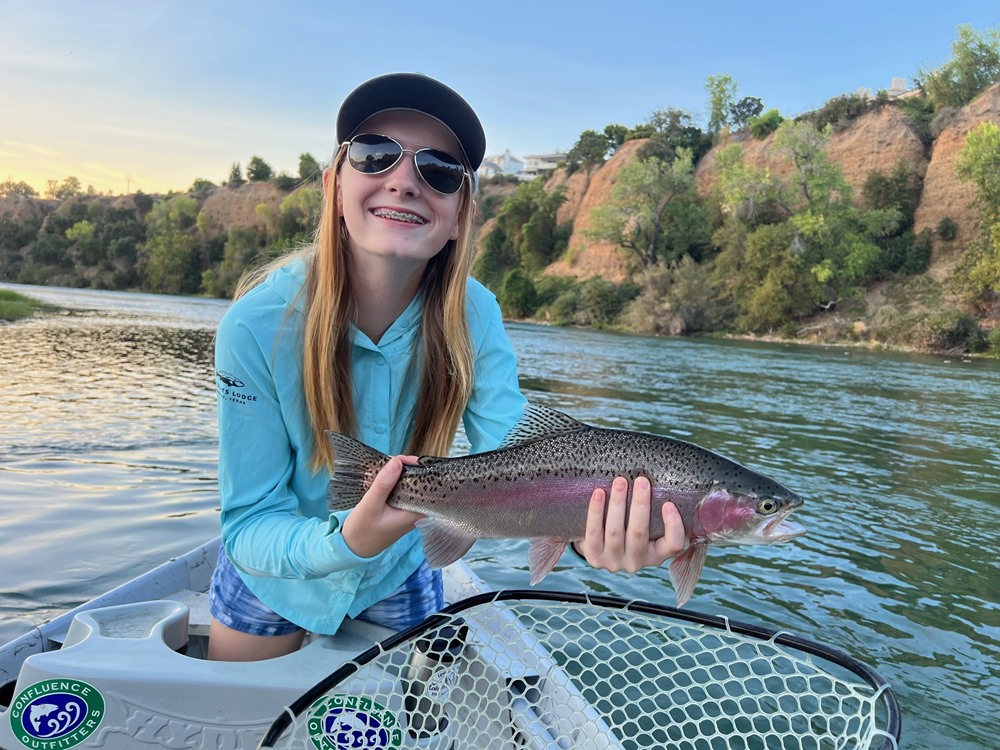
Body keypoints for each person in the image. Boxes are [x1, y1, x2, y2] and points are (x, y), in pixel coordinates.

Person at [207, 72, 686, 662]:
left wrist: (594, 535)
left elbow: (526, 454)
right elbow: (252, 523)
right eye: (375, 155)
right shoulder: (254, 326)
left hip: (400, 567)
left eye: (439, 171)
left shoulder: (476, 313)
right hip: (271, 573)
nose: (404, 180)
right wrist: (348, 540)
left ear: (461, 214)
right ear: (333, 186)